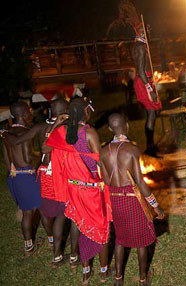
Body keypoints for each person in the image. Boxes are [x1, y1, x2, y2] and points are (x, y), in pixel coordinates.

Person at [44, 98, 112, 284]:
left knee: (83, 228)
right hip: (91, 190)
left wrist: (56, 124)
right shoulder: (89, 133)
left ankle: (86, 271)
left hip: (73, 189)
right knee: (101, 228)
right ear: (86, 112)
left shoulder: (62, 132)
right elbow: (99, 162)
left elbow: (45, 148)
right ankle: (104, 271)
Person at [5, 98, 72, 267]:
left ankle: (39, 243)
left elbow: (11, 149)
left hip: (27, 175)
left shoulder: (27, 129)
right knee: (53, 212)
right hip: (44, 174)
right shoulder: (62, 127)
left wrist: (5, 132)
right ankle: (55, 244)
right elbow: (35, 153)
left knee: (36, 210)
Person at [100, 113, 165, 286]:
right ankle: (143, 279)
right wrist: (155, 205)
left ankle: (118, 278)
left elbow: (106, 181)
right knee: (142, 241)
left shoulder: (103, 151)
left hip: (116, 199)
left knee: (120, 239)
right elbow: (140, 182)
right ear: (127, 126)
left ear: (109, 129)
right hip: (132, 199)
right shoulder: (131, 150)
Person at [1, 102, 42, 257]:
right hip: (27, 174)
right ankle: (49, 242)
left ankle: (29, 245)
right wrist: (41, 155)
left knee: (26, 211)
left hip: (14, 176)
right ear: (25, 114)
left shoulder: (7, 133)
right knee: (33, 212)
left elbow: (6, 157)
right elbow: (27, 157)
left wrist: (12, 170)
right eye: (30, 110)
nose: (32, 113)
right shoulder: (26, 132)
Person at [132, 30, 162, 158]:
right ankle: (150, 147)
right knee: (151, 113)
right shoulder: (140, 46)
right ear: (142, 34)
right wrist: (149, 88)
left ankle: (151, 145)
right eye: (147, 32)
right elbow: (140, 70)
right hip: (144, 82)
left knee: (153, 113)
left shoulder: (139, 45)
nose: (149, 34)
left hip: (145, 81)